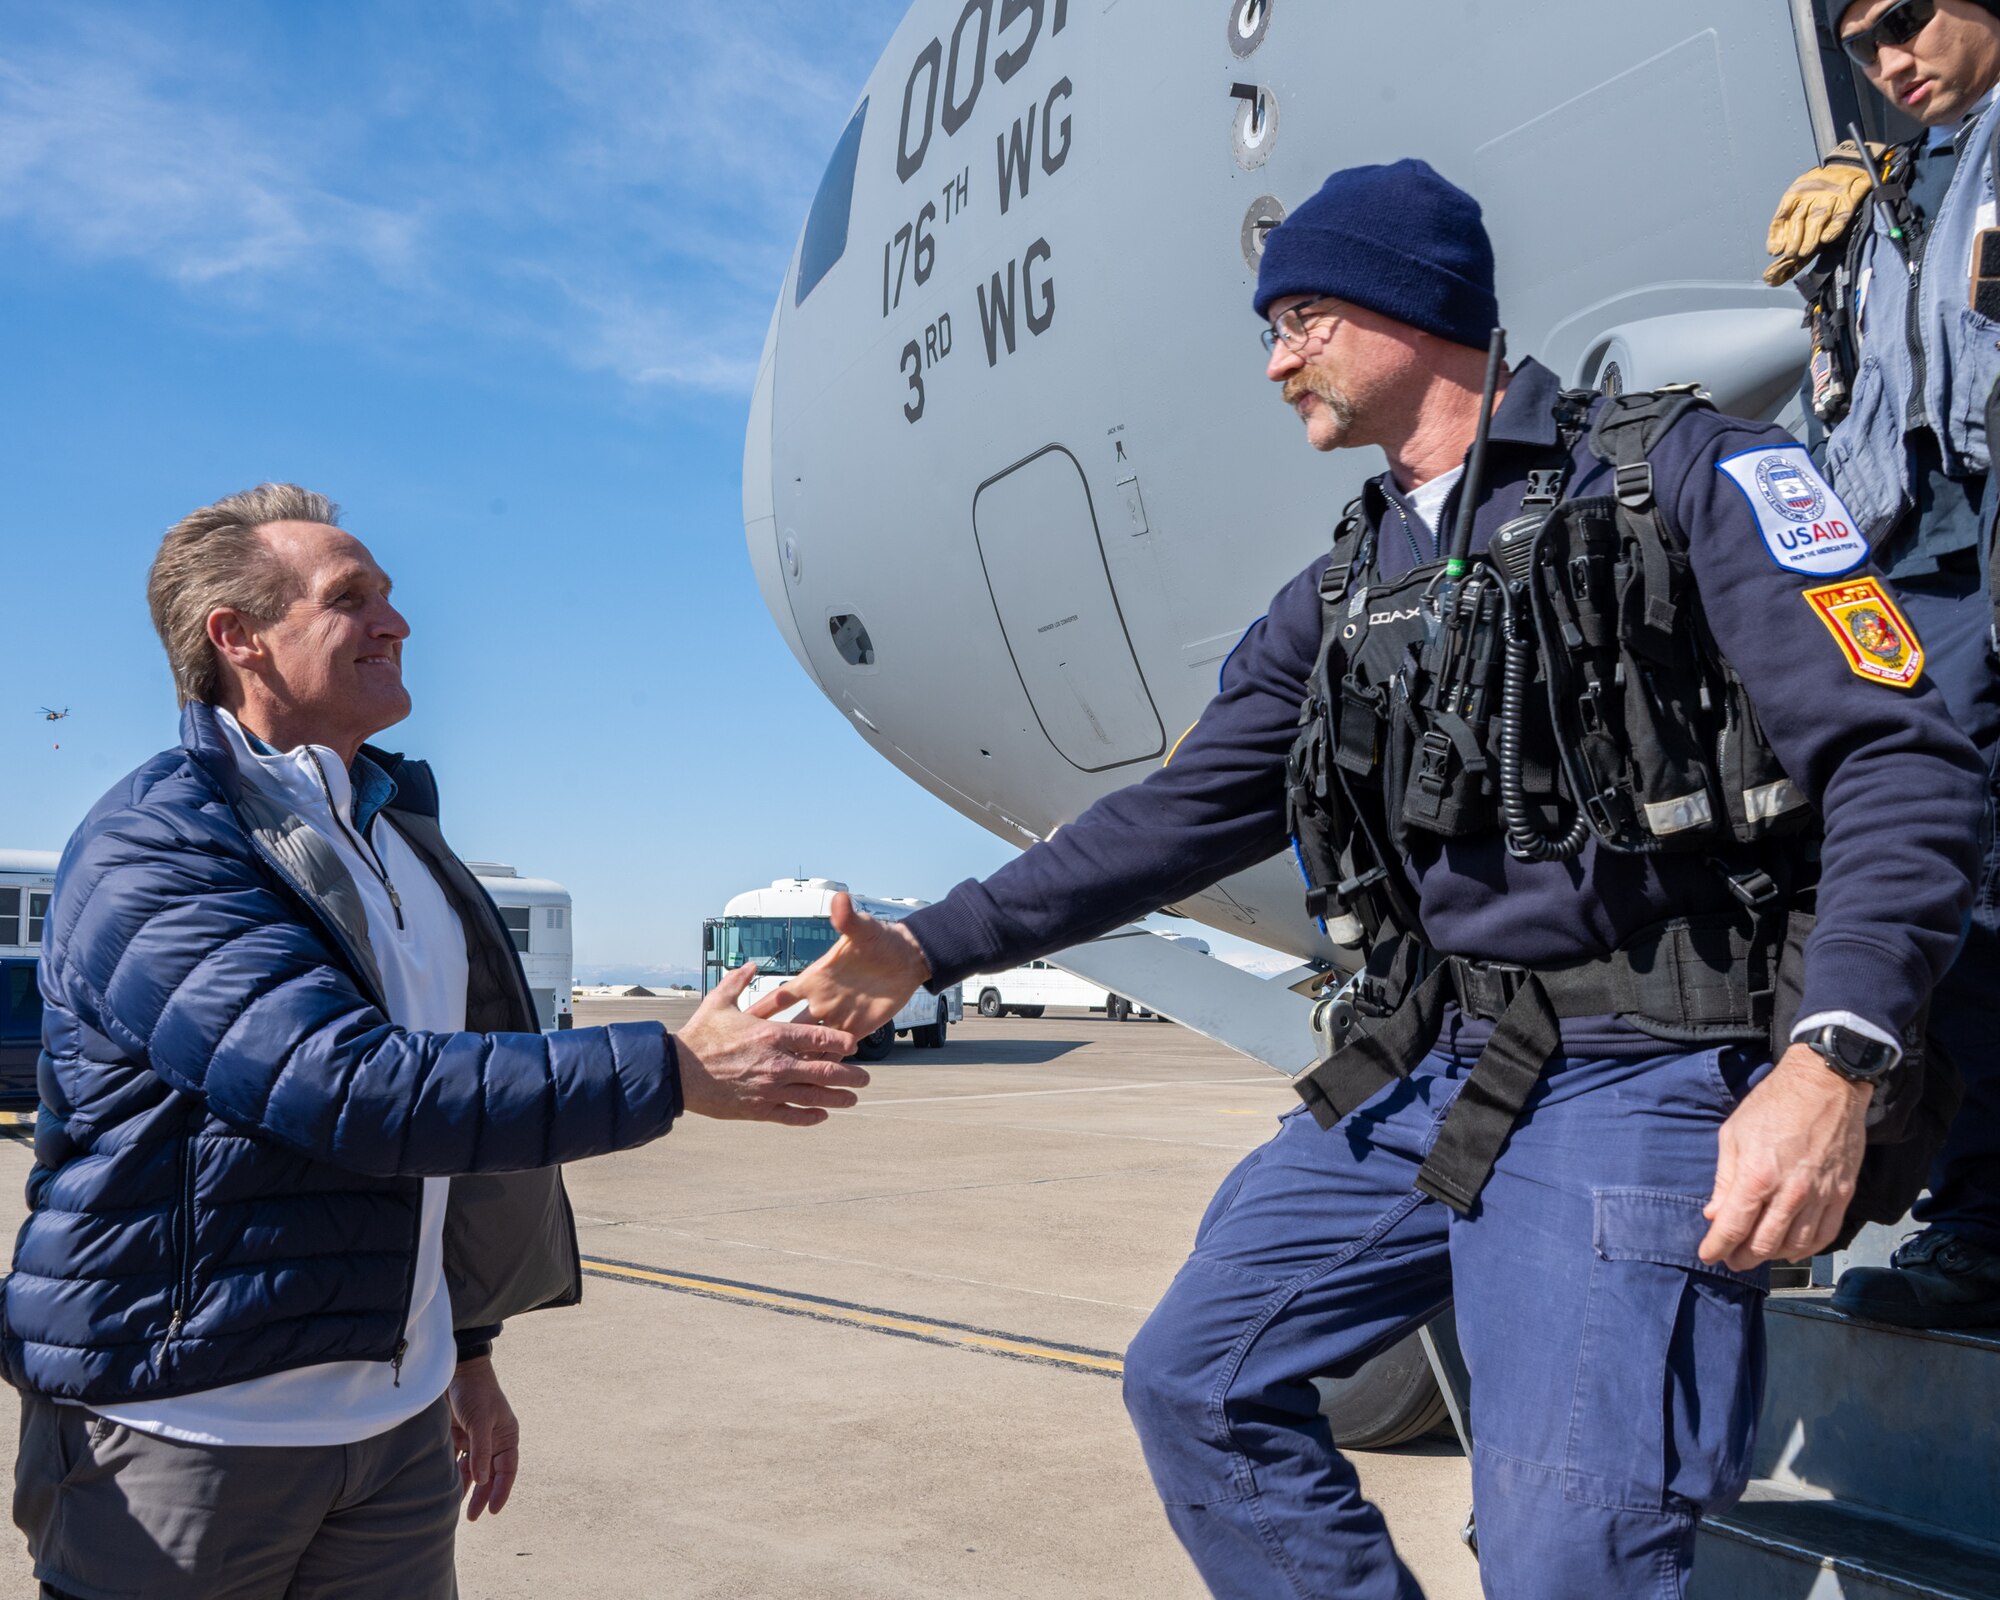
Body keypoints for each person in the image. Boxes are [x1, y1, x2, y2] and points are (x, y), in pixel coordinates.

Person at [771, 162, 1986, 1597]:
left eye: (1303, 317)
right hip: (1441, 1061)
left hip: (1648, 1066)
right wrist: (927, 945)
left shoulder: (1693, 480)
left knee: (1570, 1563)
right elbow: (1177, 816)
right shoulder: (1344, 591)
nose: (1276, 356)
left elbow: (1904, 765)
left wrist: (1832, 1061)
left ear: (1415, 309)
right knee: (1197, 1382)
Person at [5, 484, 865, 1600]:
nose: (395, 622)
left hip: (395, 1428)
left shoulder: (398, 837)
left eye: (390, 596)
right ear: (238, 639)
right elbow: (341, 1088)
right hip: (188, 1424)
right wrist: (670, 1066)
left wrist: (465, 1349)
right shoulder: (157, 842)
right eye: (348, 598)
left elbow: (451, 1117)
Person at [1764, 0, 2000, 1328]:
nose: (1890, 61)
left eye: (1908, 21)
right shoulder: (1891, 197)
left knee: (1965, 893)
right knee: (1919, 886)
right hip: (1899, 573)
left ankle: (1978, 1219)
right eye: (1862, 45)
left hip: (1975, 550)